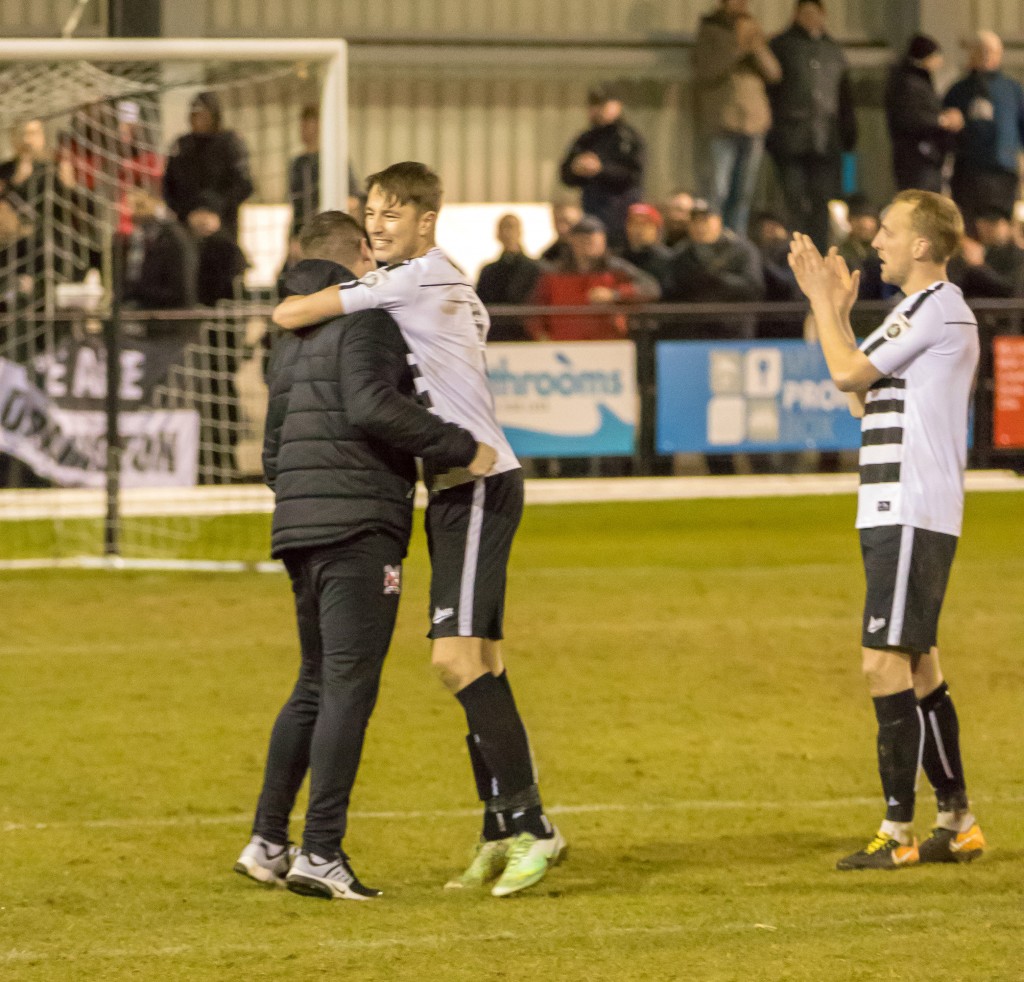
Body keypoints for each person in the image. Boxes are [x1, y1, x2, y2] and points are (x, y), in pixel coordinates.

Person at [272, 161, 566, 897]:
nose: (376, 225)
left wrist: (339, 296)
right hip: (455, 488)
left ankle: (533, 825)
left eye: (392, 213)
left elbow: (290, 312)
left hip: (476, 482)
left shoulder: (410, 278)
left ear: (427, 221)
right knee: (484, 662)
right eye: (371, 213)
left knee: (454, 660)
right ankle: (500, 828)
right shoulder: (446, 281)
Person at [236, 210, 488, 900]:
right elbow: (375, 407)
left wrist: (300, 497)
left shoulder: (289, 331)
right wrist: (460, 446)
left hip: (298, 521)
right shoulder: (369, 318)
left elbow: (272, 445)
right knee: (349, 684)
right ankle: (320, 851)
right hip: (357, 524)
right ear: (354, 256)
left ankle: (267, 840)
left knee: (314, 681)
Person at [787, 189, 985, 870]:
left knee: (883, 663)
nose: (877, 242)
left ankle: (898, 833)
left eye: (890, 232)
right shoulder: (914, 312)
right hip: (894, 507)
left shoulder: (936, 308)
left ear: (923, 246)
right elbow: (858, 395)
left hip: (911, 508)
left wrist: (819, 299)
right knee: (920, 666)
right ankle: (956, 821)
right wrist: (836, 314)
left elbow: (845, 370)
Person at [767, 0, 857, 252]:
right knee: (793, 200)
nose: (809, 18)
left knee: (822, 201)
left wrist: (848, 132)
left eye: (814, 13)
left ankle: (819, 251)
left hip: (826, 138)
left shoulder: (832, 49)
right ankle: (796, 254)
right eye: (804, 13)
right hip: (789, 137)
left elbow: (843, 95)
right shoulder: (781, 46)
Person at [692, 0, 781, 236]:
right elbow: (706, 70)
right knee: (718, 190)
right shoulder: (710, 29)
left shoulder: (754, 30)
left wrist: (757, 47)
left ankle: (736, 240)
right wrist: (737, 47)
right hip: (723, 122)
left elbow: (774, 73)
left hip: (753, 123)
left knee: (744, 192)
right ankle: (713, 237)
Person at [527, 215, 660, 342]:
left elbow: (650, 288)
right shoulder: (554, 274)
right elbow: (534, 309)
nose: (590, 244)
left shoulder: (616, 269)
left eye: (596, 240)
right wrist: (541, 335)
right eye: (584, 240)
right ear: (572, 241)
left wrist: (615, 294)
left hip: (609, 346)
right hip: (564, 347)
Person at [943, 31, 1024, 235]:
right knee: (971, 229)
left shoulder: (1012, 89)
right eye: (982, 51)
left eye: (993, 51)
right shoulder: (959, 90)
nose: (988, 56)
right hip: (970, 173)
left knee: (1001, 230)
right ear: (972, 54)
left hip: (1004, 172)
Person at [558, 84, 645, 251]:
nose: (597, 110)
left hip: (623, 215)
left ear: (617, 106)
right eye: (593, 105)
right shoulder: (585, 139)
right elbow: (565, 175)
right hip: (593, 212)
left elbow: (634, 175)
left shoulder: (628, 139)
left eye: (603, 104)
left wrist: (601, 170)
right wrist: (576, 169)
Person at [163, 90, 254, 240]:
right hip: (187, 229)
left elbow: (244, 185)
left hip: (222, 227)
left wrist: (215, 211)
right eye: (195, 115)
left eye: (204, 115)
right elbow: (169, 188)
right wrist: (189, 214)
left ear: (214, 116)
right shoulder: (182, 146)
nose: (199, 121)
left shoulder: (230, 144)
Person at [885, 34, 964, 193]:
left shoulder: (913, 81)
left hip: (924, 158)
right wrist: (943, 120)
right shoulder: (910, 84)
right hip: (919, 159)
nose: (940, 61)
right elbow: (911, 117)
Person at [287, 104, 362, 238]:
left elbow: (352, 199)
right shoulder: (297, 163)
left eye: (306, 125)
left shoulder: (334, 160)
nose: (302, 129)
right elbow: (296, 206)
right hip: (302, 233)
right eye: (302, 125)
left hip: (326, 233)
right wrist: (292, 236)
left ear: (319, 126)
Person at [476, 213, 542, 342]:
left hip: (526, 336)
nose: (508, 233)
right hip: (496, 335)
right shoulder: (488, 271)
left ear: (520, 232)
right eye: (504, 228)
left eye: (512, 227)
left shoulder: (536, 269)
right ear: (497, 234)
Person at [187, 194, 248, 306]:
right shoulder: (187, 242)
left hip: (220, 308)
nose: (203, 219)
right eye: (199, 213)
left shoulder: (226, 246)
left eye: (208, 214)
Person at [954, 207, 1024, 299]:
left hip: (1002, 310)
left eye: (993, 224)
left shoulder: (1018, 255)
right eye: (983, 224)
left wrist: (978, 265)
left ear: (1008, 225)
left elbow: (1011, 289)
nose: (987, 229)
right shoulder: (979, 250)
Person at [621, 202, 673, 291]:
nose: (639, 229)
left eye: (645, 224)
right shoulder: (619, 259)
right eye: (634, 223)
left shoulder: (667, 260)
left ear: (656, 230)